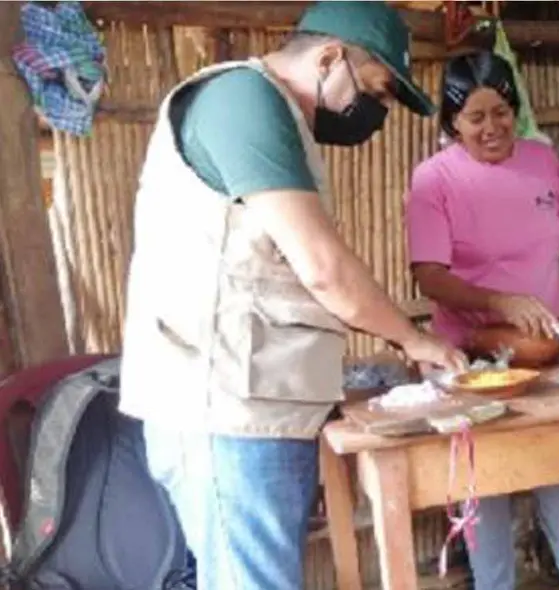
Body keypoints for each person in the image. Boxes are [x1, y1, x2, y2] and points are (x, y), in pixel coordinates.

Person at [117, 2, 468, 589]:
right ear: (330, 57)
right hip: (225, 410)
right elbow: (323, 269)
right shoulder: (242, 100)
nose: (378, 112)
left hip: (251, 405)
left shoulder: (272, 115)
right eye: (380, 92)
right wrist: (414, 338)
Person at [405, 50, 559, 590]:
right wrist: (499, 301)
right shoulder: (434, 179)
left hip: (545, 352)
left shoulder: (542, 161)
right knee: (487, 481)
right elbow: (429, 276)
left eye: (502, 112)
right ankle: (493, 584)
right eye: (476, 117)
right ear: (452, 122)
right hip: (471, 360)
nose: (493, 128)